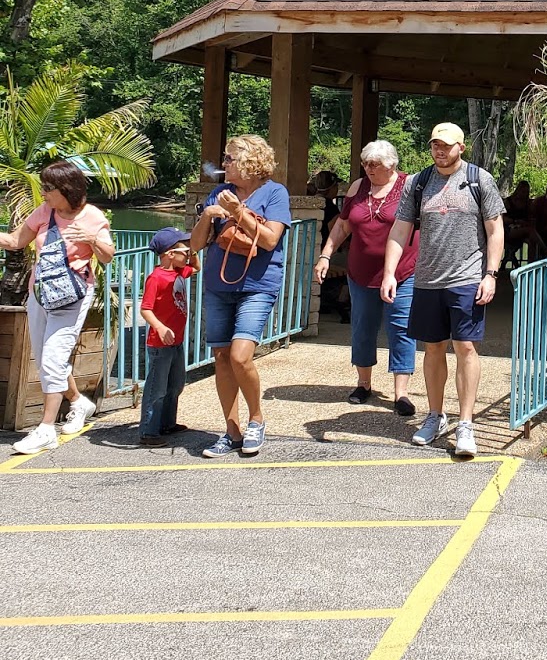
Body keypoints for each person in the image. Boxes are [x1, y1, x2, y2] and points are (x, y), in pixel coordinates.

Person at [381, 122, 505, 460]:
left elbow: (495, 230)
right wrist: (389, 273)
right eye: (435, 144)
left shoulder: (480, 179)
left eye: (447, 145)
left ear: (460, 148)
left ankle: (466, 424)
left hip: (467, 277)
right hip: (427, 280)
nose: (440, 150)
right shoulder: (418, 182)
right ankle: (435, 415)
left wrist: (491, 274)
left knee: (465, 347)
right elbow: (400, 229)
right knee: (433, 348)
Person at [0, 160, 115, 454]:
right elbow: (14, 240)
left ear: (66, 189)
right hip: (39, 295)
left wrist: (91, 239)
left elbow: (107, 256)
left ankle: (46, 428)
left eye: (48, 188)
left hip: (72, 299)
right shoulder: (44, 212)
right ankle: (78, 402)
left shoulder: (92, 216)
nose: (43, 193)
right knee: (45, 361)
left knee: (53, 359)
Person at [190, 134, 292, 459]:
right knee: (221, 357)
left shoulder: (275, 193)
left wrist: (238, 212)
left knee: (239, 356)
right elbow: (195, 245)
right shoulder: (218, 193)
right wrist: (207, 216)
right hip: (218, 286)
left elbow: (270, 240)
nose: (224, 164)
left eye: (229, 158)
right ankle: (231, 431)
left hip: (258, 286)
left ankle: (256, 420)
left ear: (249, 161)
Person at [314, 140, 419, 416]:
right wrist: (326, 255)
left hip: (402, 272)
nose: (369, 169)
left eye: (375, 164)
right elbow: (343, 225)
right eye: (366, 164)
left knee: (401, 328)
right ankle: (363, 384)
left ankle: (401, 393)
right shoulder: (358, 187)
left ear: (391, 165)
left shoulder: (409, 186)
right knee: (362, 327)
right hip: (361, 272)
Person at [138, 227, 195, 446]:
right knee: (157, 388)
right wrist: (160, 328)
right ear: (170, 254)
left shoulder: (179, 272)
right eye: (184, 250)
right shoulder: (156, 278)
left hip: (176, 341)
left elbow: (196, 268)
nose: (187, 254)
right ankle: (149, 431)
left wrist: (193, 251)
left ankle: (167, 423)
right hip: (160, 344)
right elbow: (146, 309)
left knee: (175, 385)